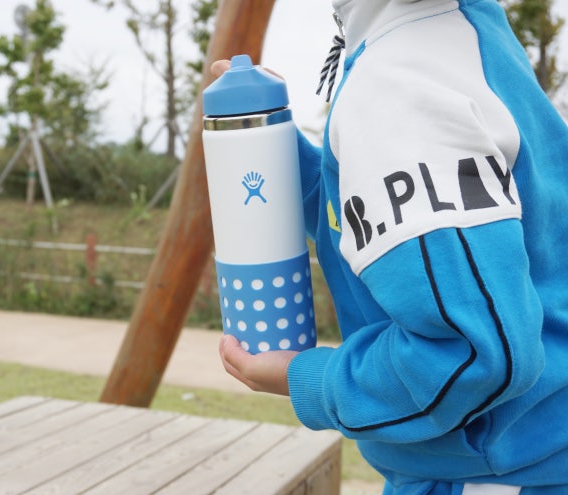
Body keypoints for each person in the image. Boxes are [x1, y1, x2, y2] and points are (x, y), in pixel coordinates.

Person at [215, 1, 568, 494]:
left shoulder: (401, 82)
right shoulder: (464, 37)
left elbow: (471, 354)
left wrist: (310, 377)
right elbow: (372, 224)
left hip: (493, 474)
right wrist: (275, 153)